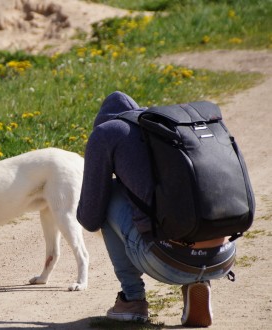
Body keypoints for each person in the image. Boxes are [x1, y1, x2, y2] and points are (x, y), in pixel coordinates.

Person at [77, 91, 237, 327]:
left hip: (169, 263)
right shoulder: (170, 130)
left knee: (109, 193)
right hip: (222, 257)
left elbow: (90, 219)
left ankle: (132, 299)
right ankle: (199, 283)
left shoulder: (106, 133)